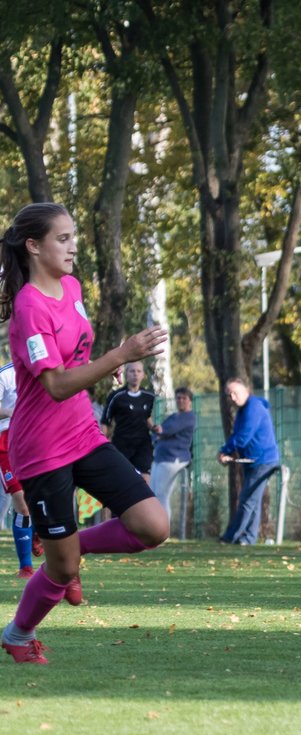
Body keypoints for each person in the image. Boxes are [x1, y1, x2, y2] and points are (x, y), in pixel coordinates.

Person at [0, 202, 170, 664]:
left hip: (83, 435)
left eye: (74, 236)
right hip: (42, 451)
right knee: (61, 568)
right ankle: (17, 634)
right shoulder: (28, 307)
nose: (74, 246)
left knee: (154, 526)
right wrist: (119, 356)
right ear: (33, 247)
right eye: (63, 238)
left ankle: (71, 552)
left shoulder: (71, 287)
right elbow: (54, 384)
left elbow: (73, 358)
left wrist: (99, 368)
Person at [217, 378, 281, 545]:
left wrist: (225, 450)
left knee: (247, 499)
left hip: (263, 461)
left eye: (234, 392)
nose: (232, 397)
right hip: (252, 461)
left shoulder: (253, 408)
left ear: (246, 390)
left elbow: (243, 437)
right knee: (253, 500)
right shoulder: (244, 410)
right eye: (228, 394)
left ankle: (231, 537)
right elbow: (239, 436)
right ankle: (249, 538)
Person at [0, 359, 41, 577]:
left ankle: (36, 531)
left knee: (42, 498)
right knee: (22, 504)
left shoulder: (43, 367)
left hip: (37, 440)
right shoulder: (5, 375)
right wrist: (9, 411)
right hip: (7, 442)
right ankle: (25, 566)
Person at [101, 361, 157, 483]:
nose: (135, 374)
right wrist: (102, 444)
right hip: (122, 444)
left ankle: (144, 501)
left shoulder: (149, 396)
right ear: (126, 374)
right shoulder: (116, 396)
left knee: (144, 480)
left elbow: (148, 417)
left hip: (142, 445)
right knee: (121, 480)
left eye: (138, 371)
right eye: (132, 371)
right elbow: (106, 422)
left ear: (143, 375)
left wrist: (154, 427)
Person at [149, 386, 196, 527]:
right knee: (153, 493)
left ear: (190, 401)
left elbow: (166, 430)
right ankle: (153, 528)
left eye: (184, 398)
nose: (181, 401)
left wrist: (156, 429)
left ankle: (163, 529)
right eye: (178, 398)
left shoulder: (189, 417)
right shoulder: (173, 416)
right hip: (160, 458)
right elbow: (156, 434)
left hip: (173, 459)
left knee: (162, 494)